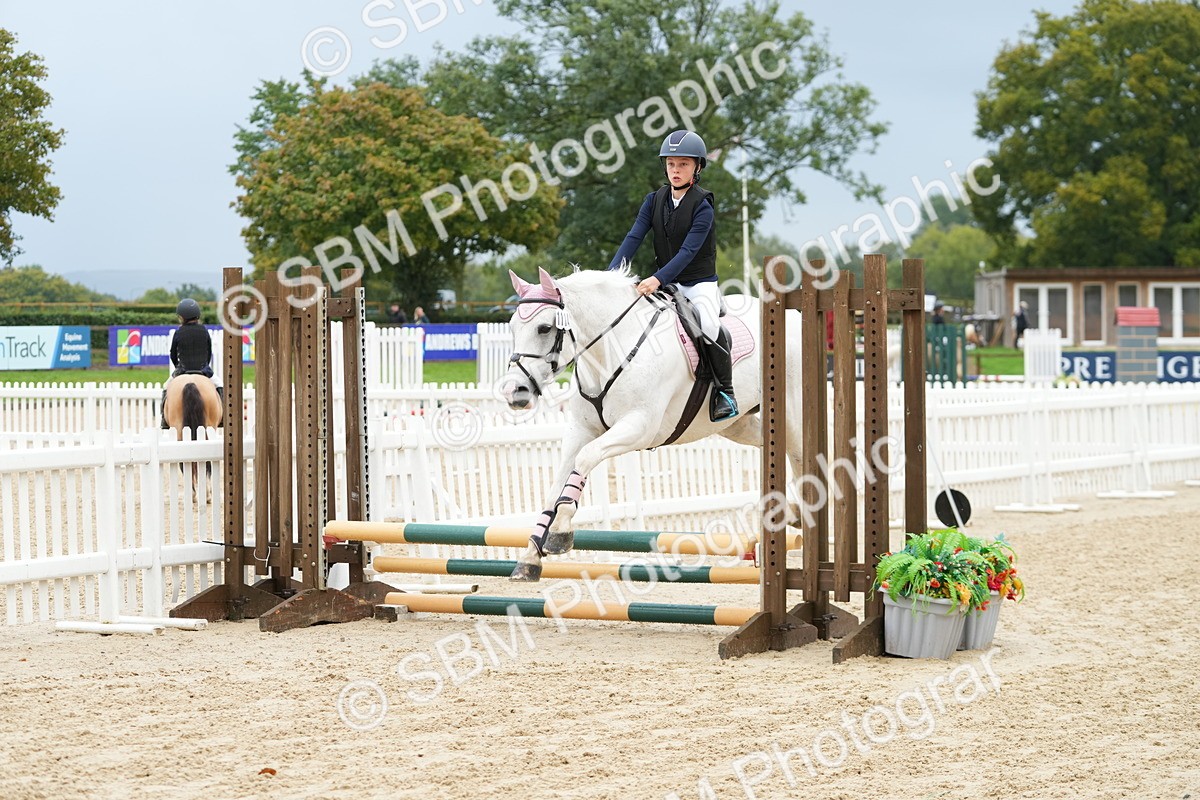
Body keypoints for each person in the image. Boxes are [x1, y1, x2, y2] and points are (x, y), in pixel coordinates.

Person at [606, 129, 737, 421]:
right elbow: (633, 238)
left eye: (683, 164)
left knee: (708, 325)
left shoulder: (703, 205)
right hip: (667, 281)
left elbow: (688, 252)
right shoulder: (653, 201)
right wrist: (608, 278)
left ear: (697, 167)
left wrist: (657, 279)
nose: (675, 171)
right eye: (671, 164)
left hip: (698, 283)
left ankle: (725, 391)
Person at [160, 298, 222, 428]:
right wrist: (204, 366)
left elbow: (172, 353)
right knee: (219, 385)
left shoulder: (178, 332)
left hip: (182, 370)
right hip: (203, 369)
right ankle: (224, 416)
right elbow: (208, 352)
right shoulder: (204, 330)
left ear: (182, 317)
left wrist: (178, 367)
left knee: (166, 387)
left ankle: (164, 421)